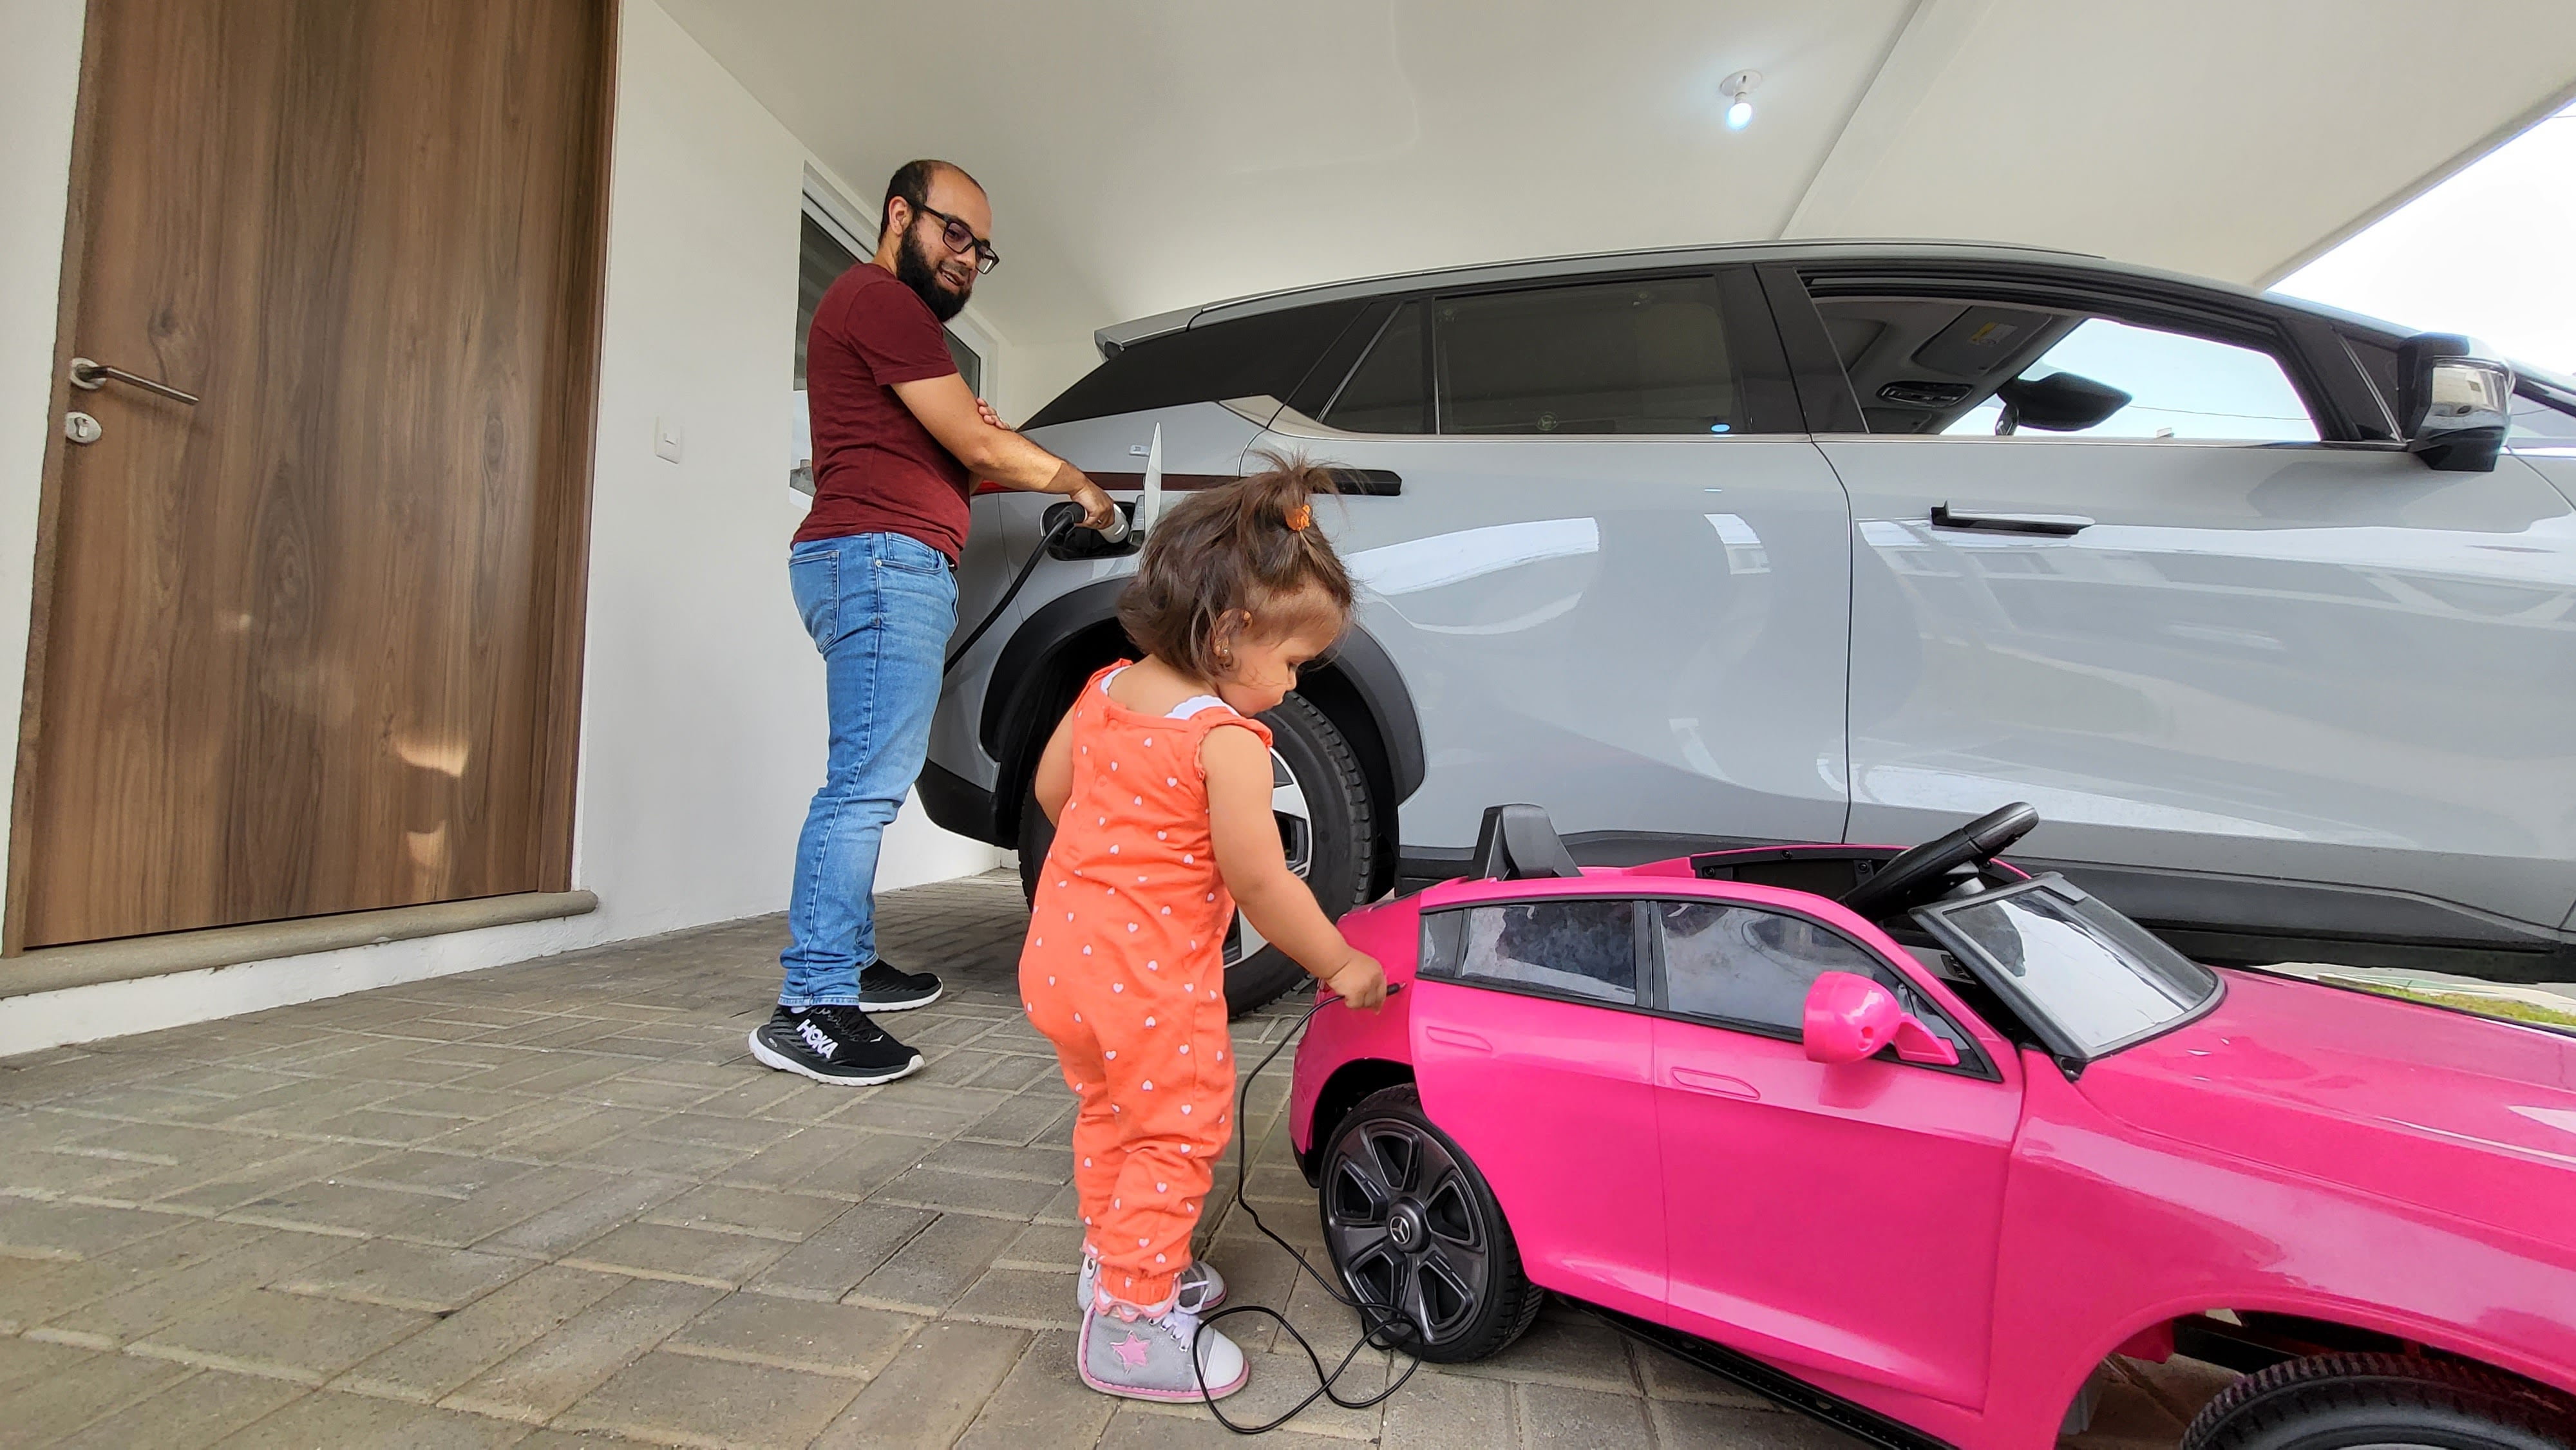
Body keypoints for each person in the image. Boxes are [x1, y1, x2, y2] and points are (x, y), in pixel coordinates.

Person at [1017, 458, 1390, 1402]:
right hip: (1150, 984)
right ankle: (1134, 1326)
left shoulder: (1103, 688)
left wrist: (1116, 863)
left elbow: (1053, 793)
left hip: (1062, 962)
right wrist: (1340, 961)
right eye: (1294, 663)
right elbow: (1262, 882)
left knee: (1110, 1113)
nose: (1294, 685)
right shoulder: (1223, 744)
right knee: (1177, 1133)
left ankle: (1116, 1261)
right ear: (1230, 636)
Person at [752, 160, 1115, 1086]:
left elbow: (966, 451)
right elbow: (980, 445)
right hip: (879, 558)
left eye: (981, 251)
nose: (966, 259)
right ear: (900, 215)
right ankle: (811, 1005)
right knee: (864, 786)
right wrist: (1075, 482)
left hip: (880, 558)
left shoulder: (892, 324)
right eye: (954, 234)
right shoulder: (880, 301)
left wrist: (982, 445)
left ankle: (851, 963)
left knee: (868, 771)